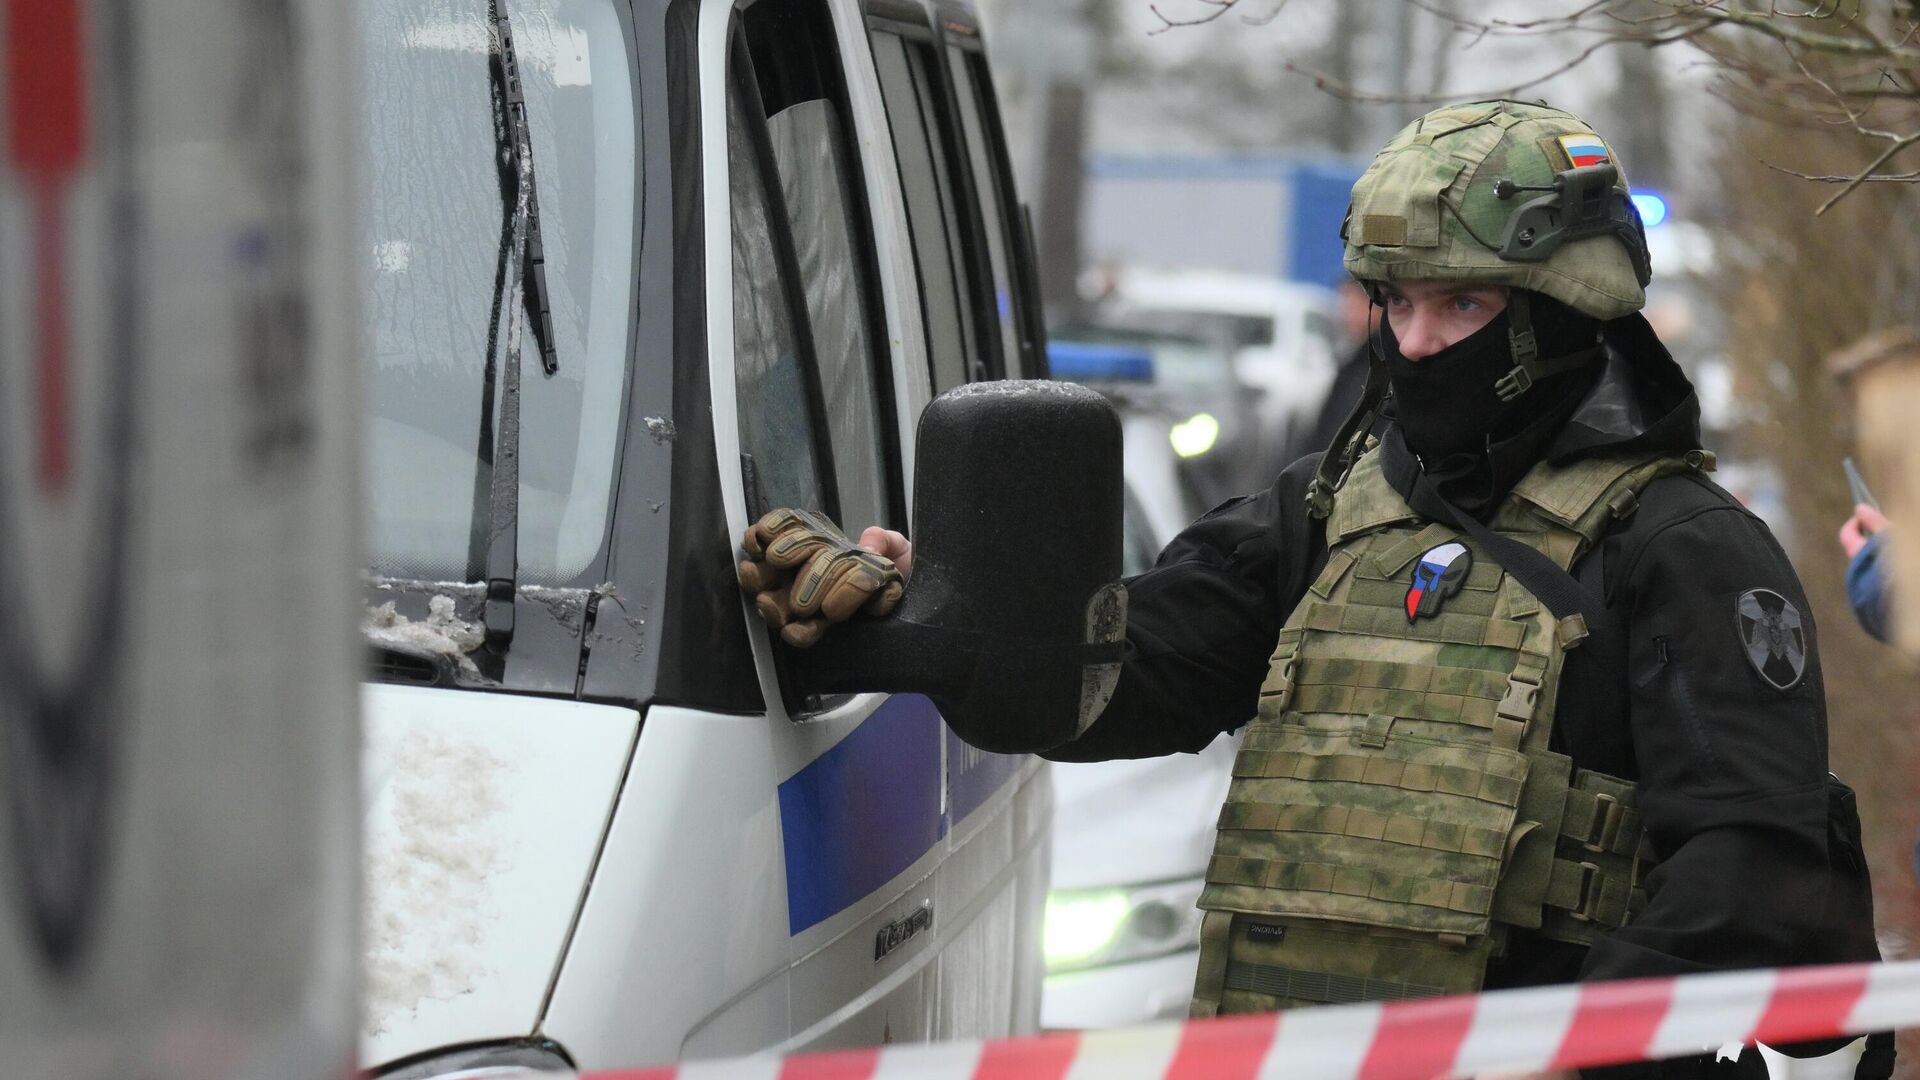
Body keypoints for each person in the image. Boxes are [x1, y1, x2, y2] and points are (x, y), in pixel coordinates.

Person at [740, 101, 1890, 1079]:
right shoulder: (1333, 503)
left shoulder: (1682, 546)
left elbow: (1753, 876)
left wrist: (1575, 1042)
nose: (1417, 341)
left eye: (1462, 308)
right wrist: (940, 620)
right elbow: (1132, 669)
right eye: (1395, 304)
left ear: (1560, 315)